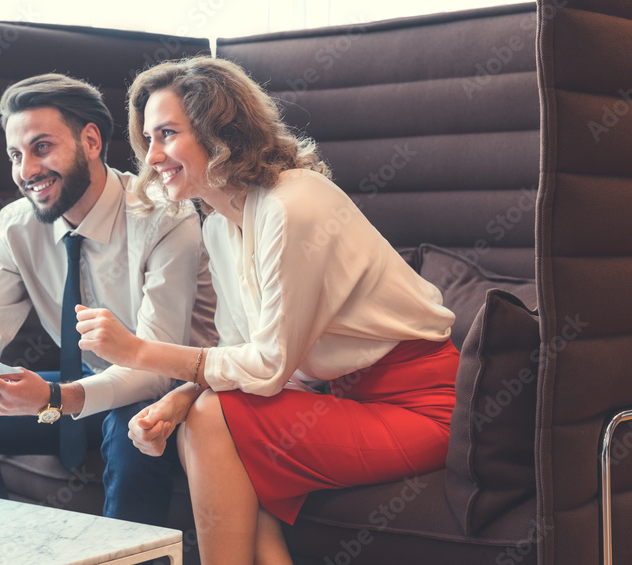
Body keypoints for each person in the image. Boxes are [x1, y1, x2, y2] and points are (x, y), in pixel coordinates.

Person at [74, 56, 460, 564]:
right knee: (201, 416)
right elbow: (243, 353)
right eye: (148, 140)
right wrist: (180, 397)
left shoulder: (292, 204)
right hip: (338, 396)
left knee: (211, 418)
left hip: (421, 406)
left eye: (166, 134)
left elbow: (270, 366)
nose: (152, 157)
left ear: (219, 132)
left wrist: (139, 352)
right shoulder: (219, 226)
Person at [0, 72, 216, 526]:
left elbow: (157, 370)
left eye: (41, 147)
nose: (26, 171)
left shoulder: (165, 219)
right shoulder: (17, 227)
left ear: (90, 141)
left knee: (133, 427)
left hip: (173, 389)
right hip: (81, 387)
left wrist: (52, 397)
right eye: (15, 154)